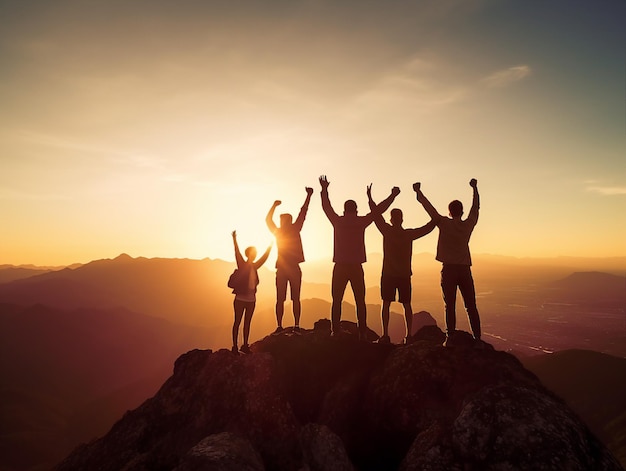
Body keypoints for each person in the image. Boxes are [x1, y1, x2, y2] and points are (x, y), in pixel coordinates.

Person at [319, 175, 399, 340]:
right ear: (355, 210)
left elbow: (326, 207)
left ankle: (335, 330)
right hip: (356, 267)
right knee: (360, 300)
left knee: (337, 300)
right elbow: (378, 212)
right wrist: (392, 195)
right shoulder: (361, 221)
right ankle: (362, 332)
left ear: (344, 210)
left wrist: (324, 189)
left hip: (340, 266)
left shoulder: (338, 221)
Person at [413, 179, 482, 345]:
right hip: (465, 270)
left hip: (449, 269)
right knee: (470, 305)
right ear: (462, 211)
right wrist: (475, 188)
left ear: (449, 212)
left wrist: (419, 193)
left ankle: (450, 337)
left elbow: (430, 209)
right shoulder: (467, 225)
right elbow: (476, 208)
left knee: (449, 305)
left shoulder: (443, 223)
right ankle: (477, 338)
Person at [367, 185, 436, 344]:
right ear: (402, 219)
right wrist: (420, 195)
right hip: (404, 275)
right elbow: (429, 227)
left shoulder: (386, 230)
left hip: (388, 274)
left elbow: (376, 214)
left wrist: (372, 197)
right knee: (406, 305)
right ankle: (409, 336)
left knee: (386, 304)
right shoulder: (409, 234)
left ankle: (385, 335)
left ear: (391, 219)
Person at [265, 187, 314, 332]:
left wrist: (274, 206)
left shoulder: (278, 232)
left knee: (281, 299)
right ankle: (296, 325)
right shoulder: (294, 228)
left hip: (282, 269)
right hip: (293, 268)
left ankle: (280, 326)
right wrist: (308, 195)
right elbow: (303, 212)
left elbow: (268, 220)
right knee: (295, 298)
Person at [230, 230, 271, 354]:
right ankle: (235, 347)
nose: (255, 255)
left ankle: (245, 345)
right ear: (249, 254)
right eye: (254, 253)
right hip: (240, 299)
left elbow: (264, 258)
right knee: (237, 322)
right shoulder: (242, 264)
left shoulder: (255, 266)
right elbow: (237, 252)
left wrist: (270, 246)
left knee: (247, 322)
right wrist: (234, 240)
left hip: (251, 299)